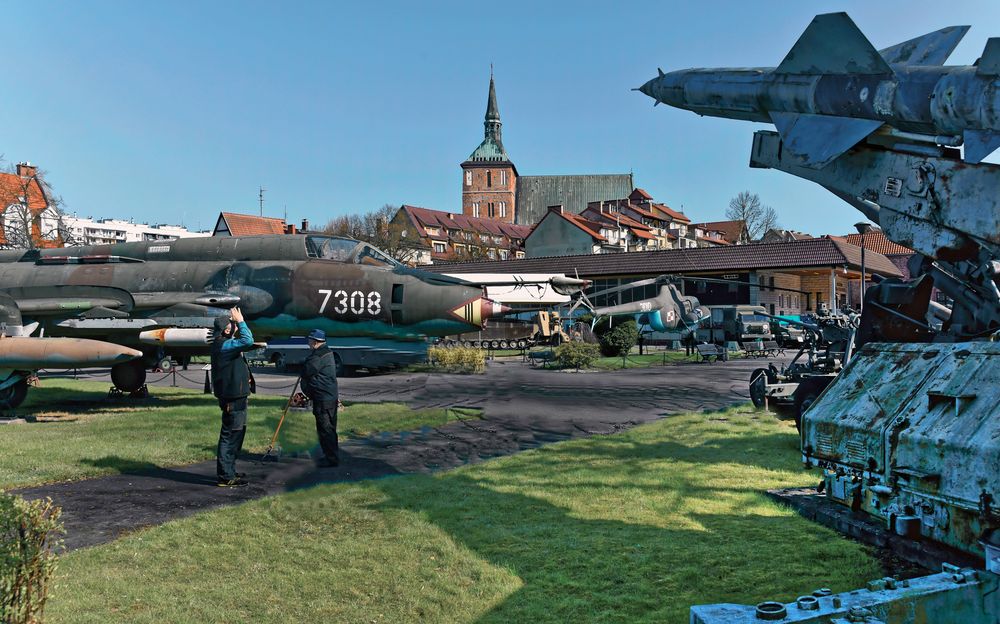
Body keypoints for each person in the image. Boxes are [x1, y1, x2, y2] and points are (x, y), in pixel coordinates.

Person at [210, 307, 254, 487]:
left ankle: (229, 471)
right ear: (227, 330)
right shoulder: (224, 345)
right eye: (232, 324)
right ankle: (225, 476)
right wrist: (241, 320)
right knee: (230, 435)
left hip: (238, 396)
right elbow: (248, 340)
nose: (235, 326)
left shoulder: (226, 343)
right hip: (232, 398)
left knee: (237, 433)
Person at [300, 329, 341, 467]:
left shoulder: (318, 355)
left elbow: (306, 371)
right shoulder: (327, 352)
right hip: (329, 397)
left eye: (310, 340)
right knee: (329, 428)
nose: (308, 342)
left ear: (315, 342)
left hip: (323, 398)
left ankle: (331, 459)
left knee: (325, 429)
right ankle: (331, 456)